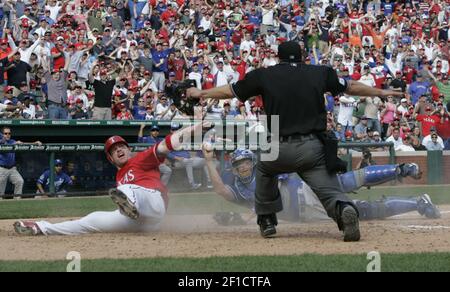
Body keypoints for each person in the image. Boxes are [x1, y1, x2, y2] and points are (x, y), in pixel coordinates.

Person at [187, 41, 404, 241]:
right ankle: (342, 208)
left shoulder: (264, 75)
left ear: (278, 58)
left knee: (263, 170)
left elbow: (230, 91)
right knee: (328, 189)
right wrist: (381, 91)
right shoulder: (320, 72)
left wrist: (201, 93)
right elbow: (351, 87)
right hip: (312, 147)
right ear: (302, 56)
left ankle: (268, 220)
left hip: (279, 148)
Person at [13, 122, 207, 236]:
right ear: (110, 158)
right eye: (114, 150)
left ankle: (129, 204)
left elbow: (166, 145)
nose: (119, 149)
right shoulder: (119, 175)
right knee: (90, 220)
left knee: (128, 190)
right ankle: (42, 228)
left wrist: (193, 128)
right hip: (138, 222)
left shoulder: (141, 158)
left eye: (122, 146)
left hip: (154, 204)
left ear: (129, 149)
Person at [203, 148, 439, 226]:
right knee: (364, 211)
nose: (242, 168)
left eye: (244, 163)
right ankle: (419, 203)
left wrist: (243, 218)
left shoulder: (265, 170)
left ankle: (401, 169)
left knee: (348, 180)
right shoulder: (241, 192)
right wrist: (208, 160)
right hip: (309, 214)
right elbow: (220, 190)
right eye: (238, 165)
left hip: (306, 190)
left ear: (252, 163)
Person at [0, 127, 42, 198]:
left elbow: (22, 144)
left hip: (12, 169)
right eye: (5, 133)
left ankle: (17, 200)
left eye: (9, 133)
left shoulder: (12, 141)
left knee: (19, 181)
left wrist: (35, 143)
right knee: (1, 191)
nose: (7, 135)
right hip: (2, 169)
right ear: (2, 134)